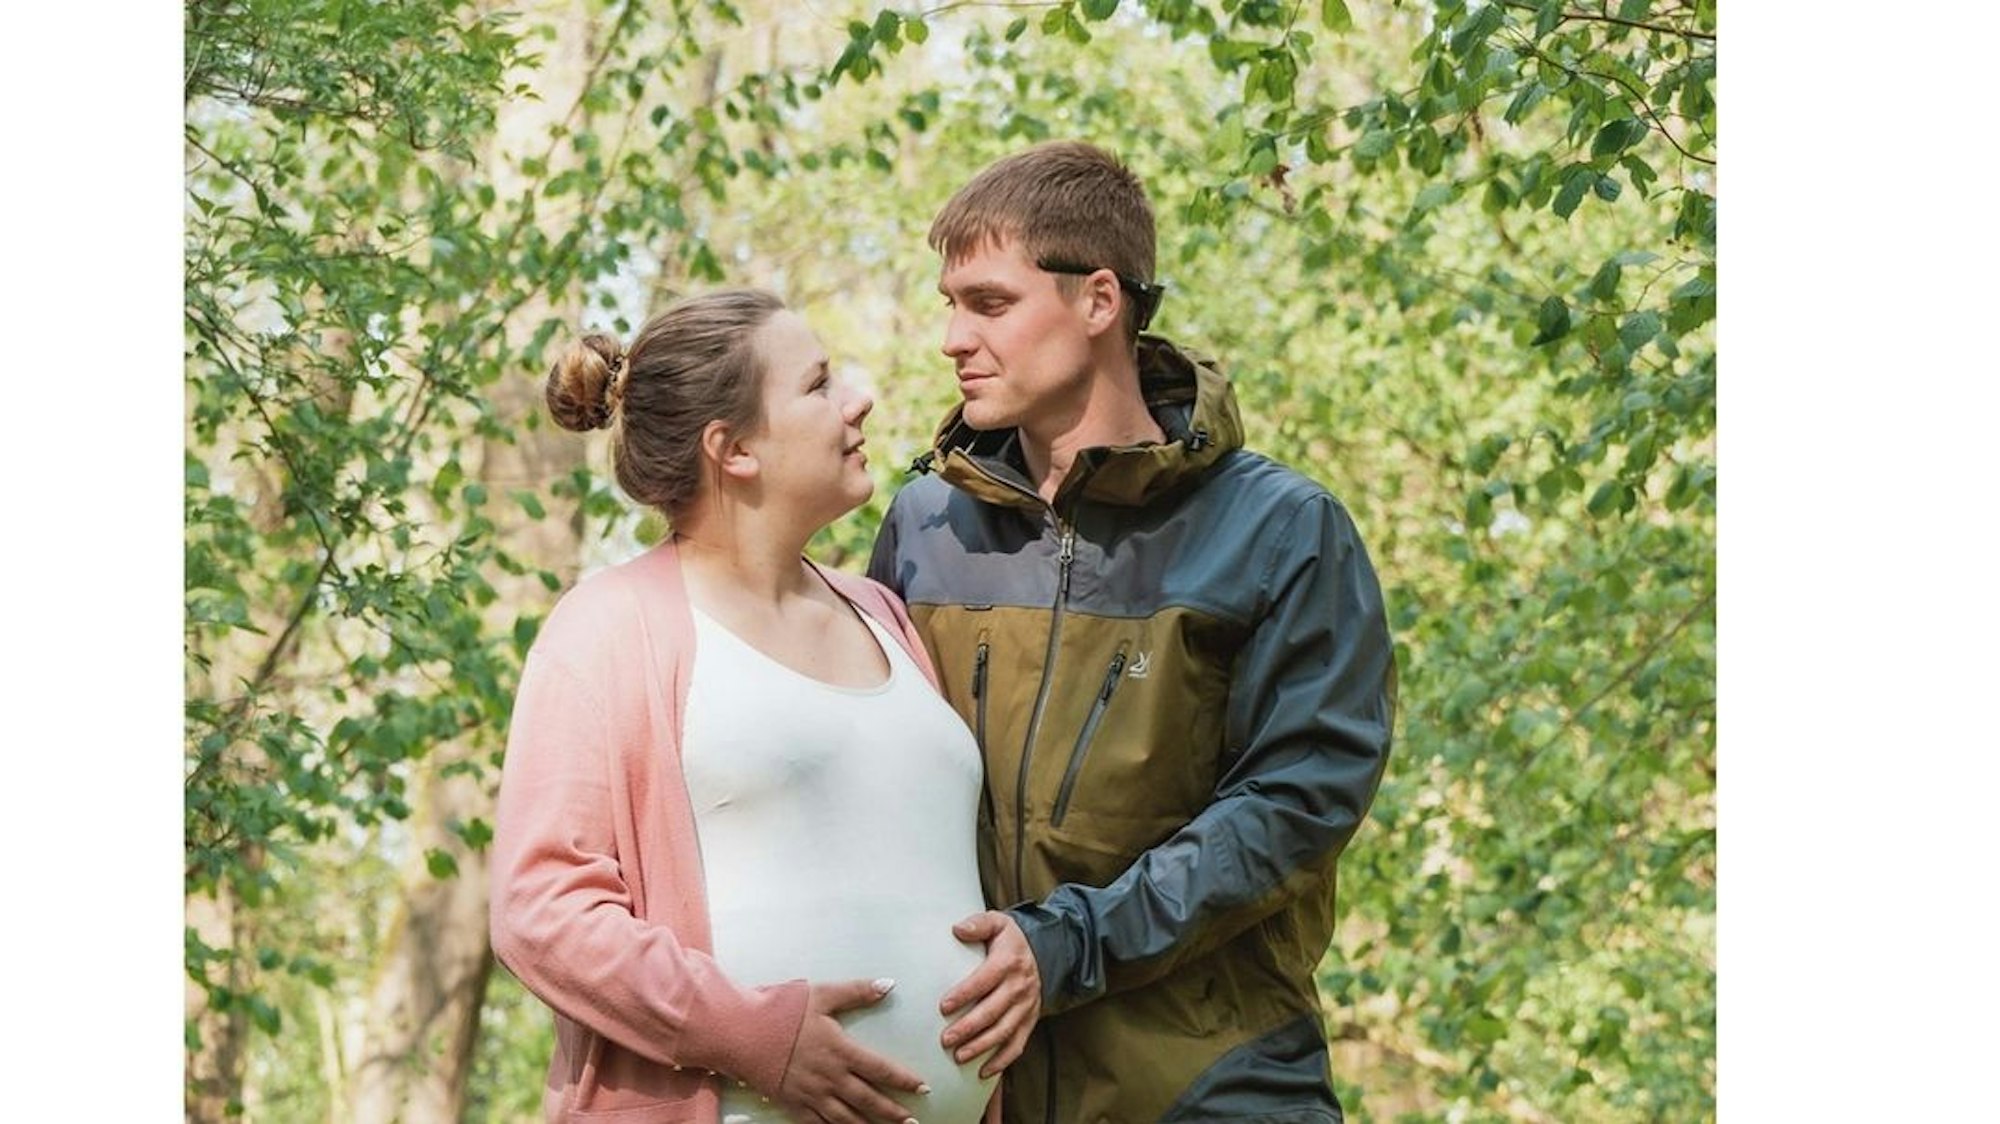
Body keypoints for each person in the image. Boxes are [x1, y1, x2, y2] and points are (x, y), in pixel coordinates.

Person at [867, 141, 1397, 1122]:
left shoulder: (1278, 530)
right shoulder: (924, 527)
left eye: (987, 303)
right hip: (975, 1087)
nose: (950, 337)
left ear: (1097, 301)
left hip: (1213, 1084)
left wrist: (1067, 942)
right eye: (947, 303)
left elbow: (1296, 800)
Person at [490, 289, 1015, 1124]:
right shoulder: (609, 628)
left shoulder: (882, 612)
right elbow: (543, 914)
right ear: (732, 450)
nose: (858, 399)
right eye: (817, 385)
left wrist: (1016, 947)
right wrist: (757, 1035)